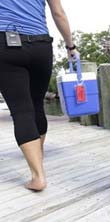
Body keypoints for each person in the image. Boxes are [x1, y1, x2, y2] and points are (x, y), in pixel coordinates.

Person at [0, 0, 79, 191]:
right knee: (36, 106)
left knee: (22, 111)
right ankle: (38, 160)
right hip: (41, 45)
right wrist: (70, 46)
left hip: (5, 42)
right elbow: (58, 13)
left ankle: (38, 176)